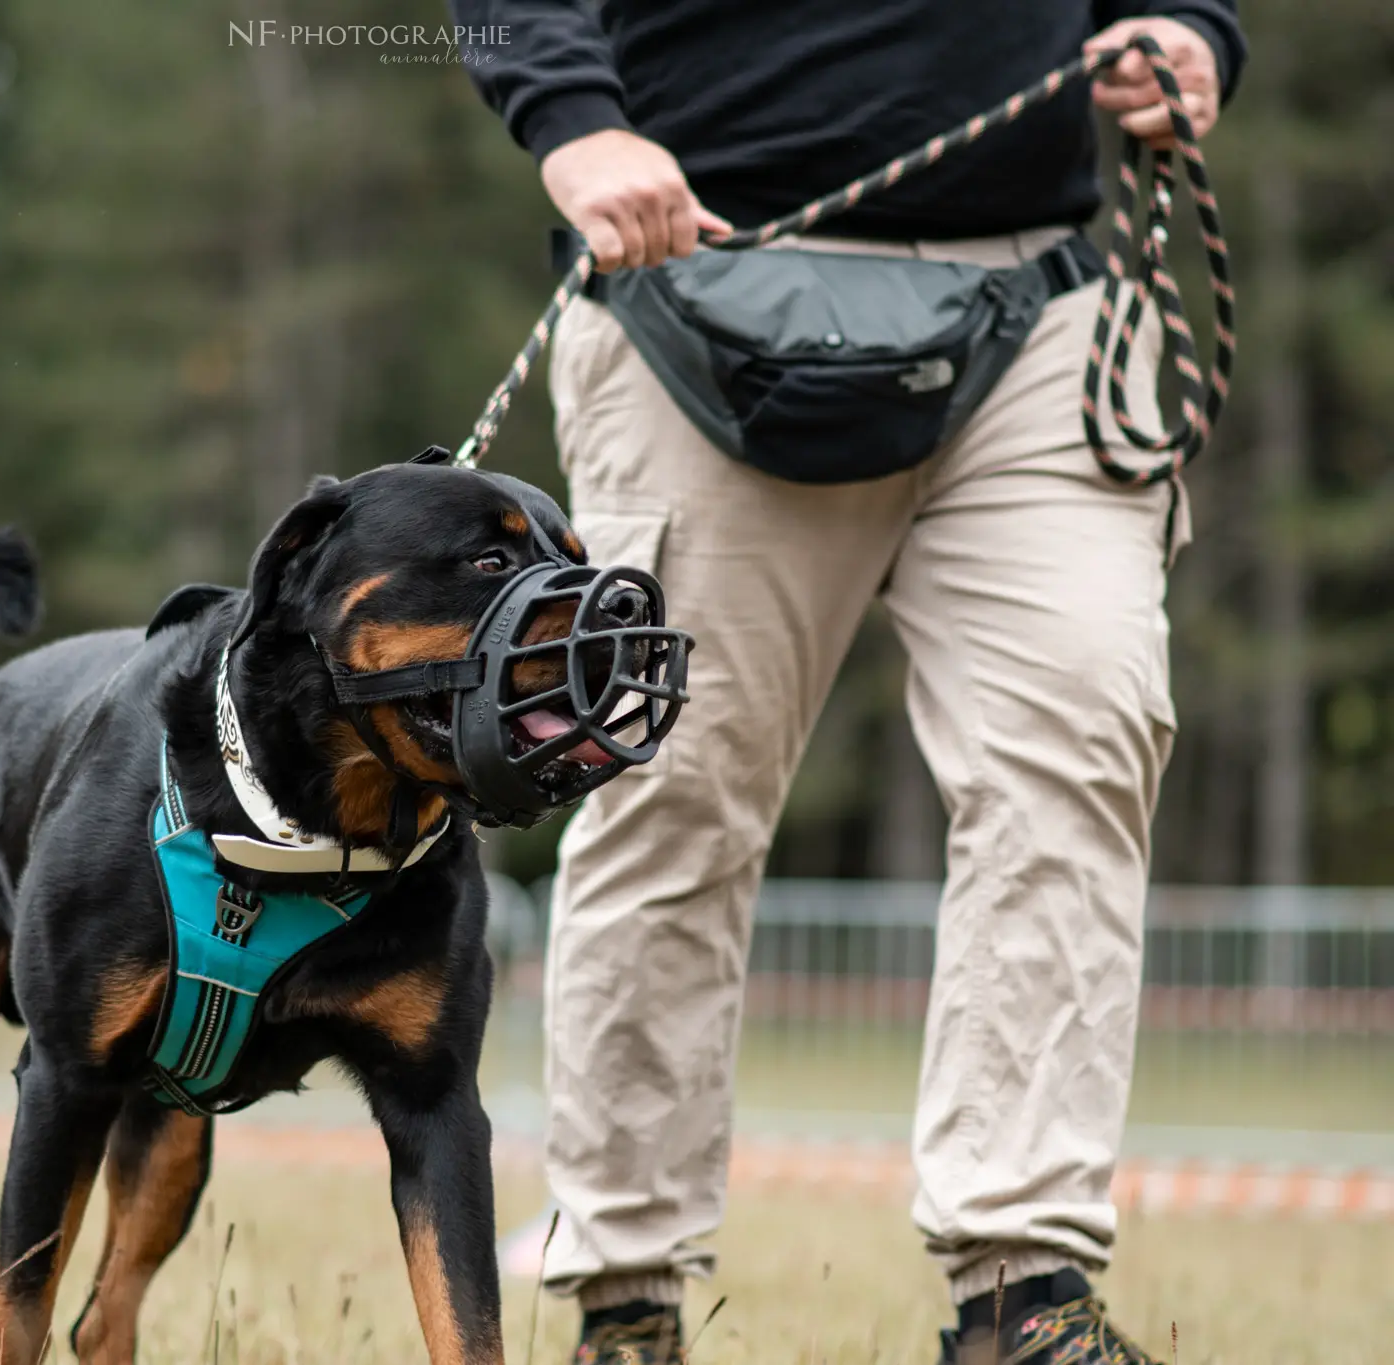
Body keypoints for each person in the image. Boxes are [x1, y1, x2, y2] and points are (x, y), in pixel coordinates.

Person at [450, 4, 1245, 1363]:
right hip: (692, 283)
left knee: (1079, 744)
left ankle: (1023, 1296)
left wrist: (1191, 28)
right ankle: (626, 1302)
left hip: (1040, 309)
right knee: (670, 794)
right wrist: (573, 122)